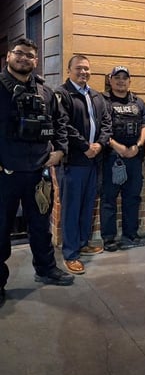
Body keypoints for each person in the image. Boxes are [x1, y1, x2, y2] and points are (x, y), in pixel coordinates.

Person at [0, 37, 74, 306]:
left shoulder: (45, 91)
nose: (24, 58)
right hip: (4, 174)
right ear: (8, 56)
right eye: (19, 53)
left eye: (30, 55)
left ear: (36, 60)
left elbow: (60, 123)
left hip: (37, 173)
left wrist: (60, 151)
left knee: (41, 226)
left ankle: (46, 269)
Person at [56, 55, 112, 274]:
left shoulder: (95, 95)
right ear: (69, 69)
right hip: (73, 162)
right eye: (79, 68)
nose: (83, 72)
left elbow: (106, 123)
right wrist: (85, 146)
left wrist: (99, 144)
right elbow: (64, 126)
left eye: (87, 69)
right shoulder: (62, 94)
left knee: (88, 206)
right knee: (71, 208)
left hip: (93, 161)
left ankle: (82, 242)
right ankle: (70, 254)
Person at [100, 66, 145, 251]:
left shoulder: (138, 102)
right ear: (110, 80)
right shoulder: (103, 101)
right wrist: (118, 147)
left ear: (130, 81)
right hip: (111, 157)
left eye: (125, 78)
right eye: (117, 77)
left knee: (132, 197)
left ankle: (131, 233)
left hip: (134, 157)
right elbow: (100, 128)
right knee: (109, 199)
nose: (121, 81)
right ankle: (109, 238)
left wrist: (137, 146)